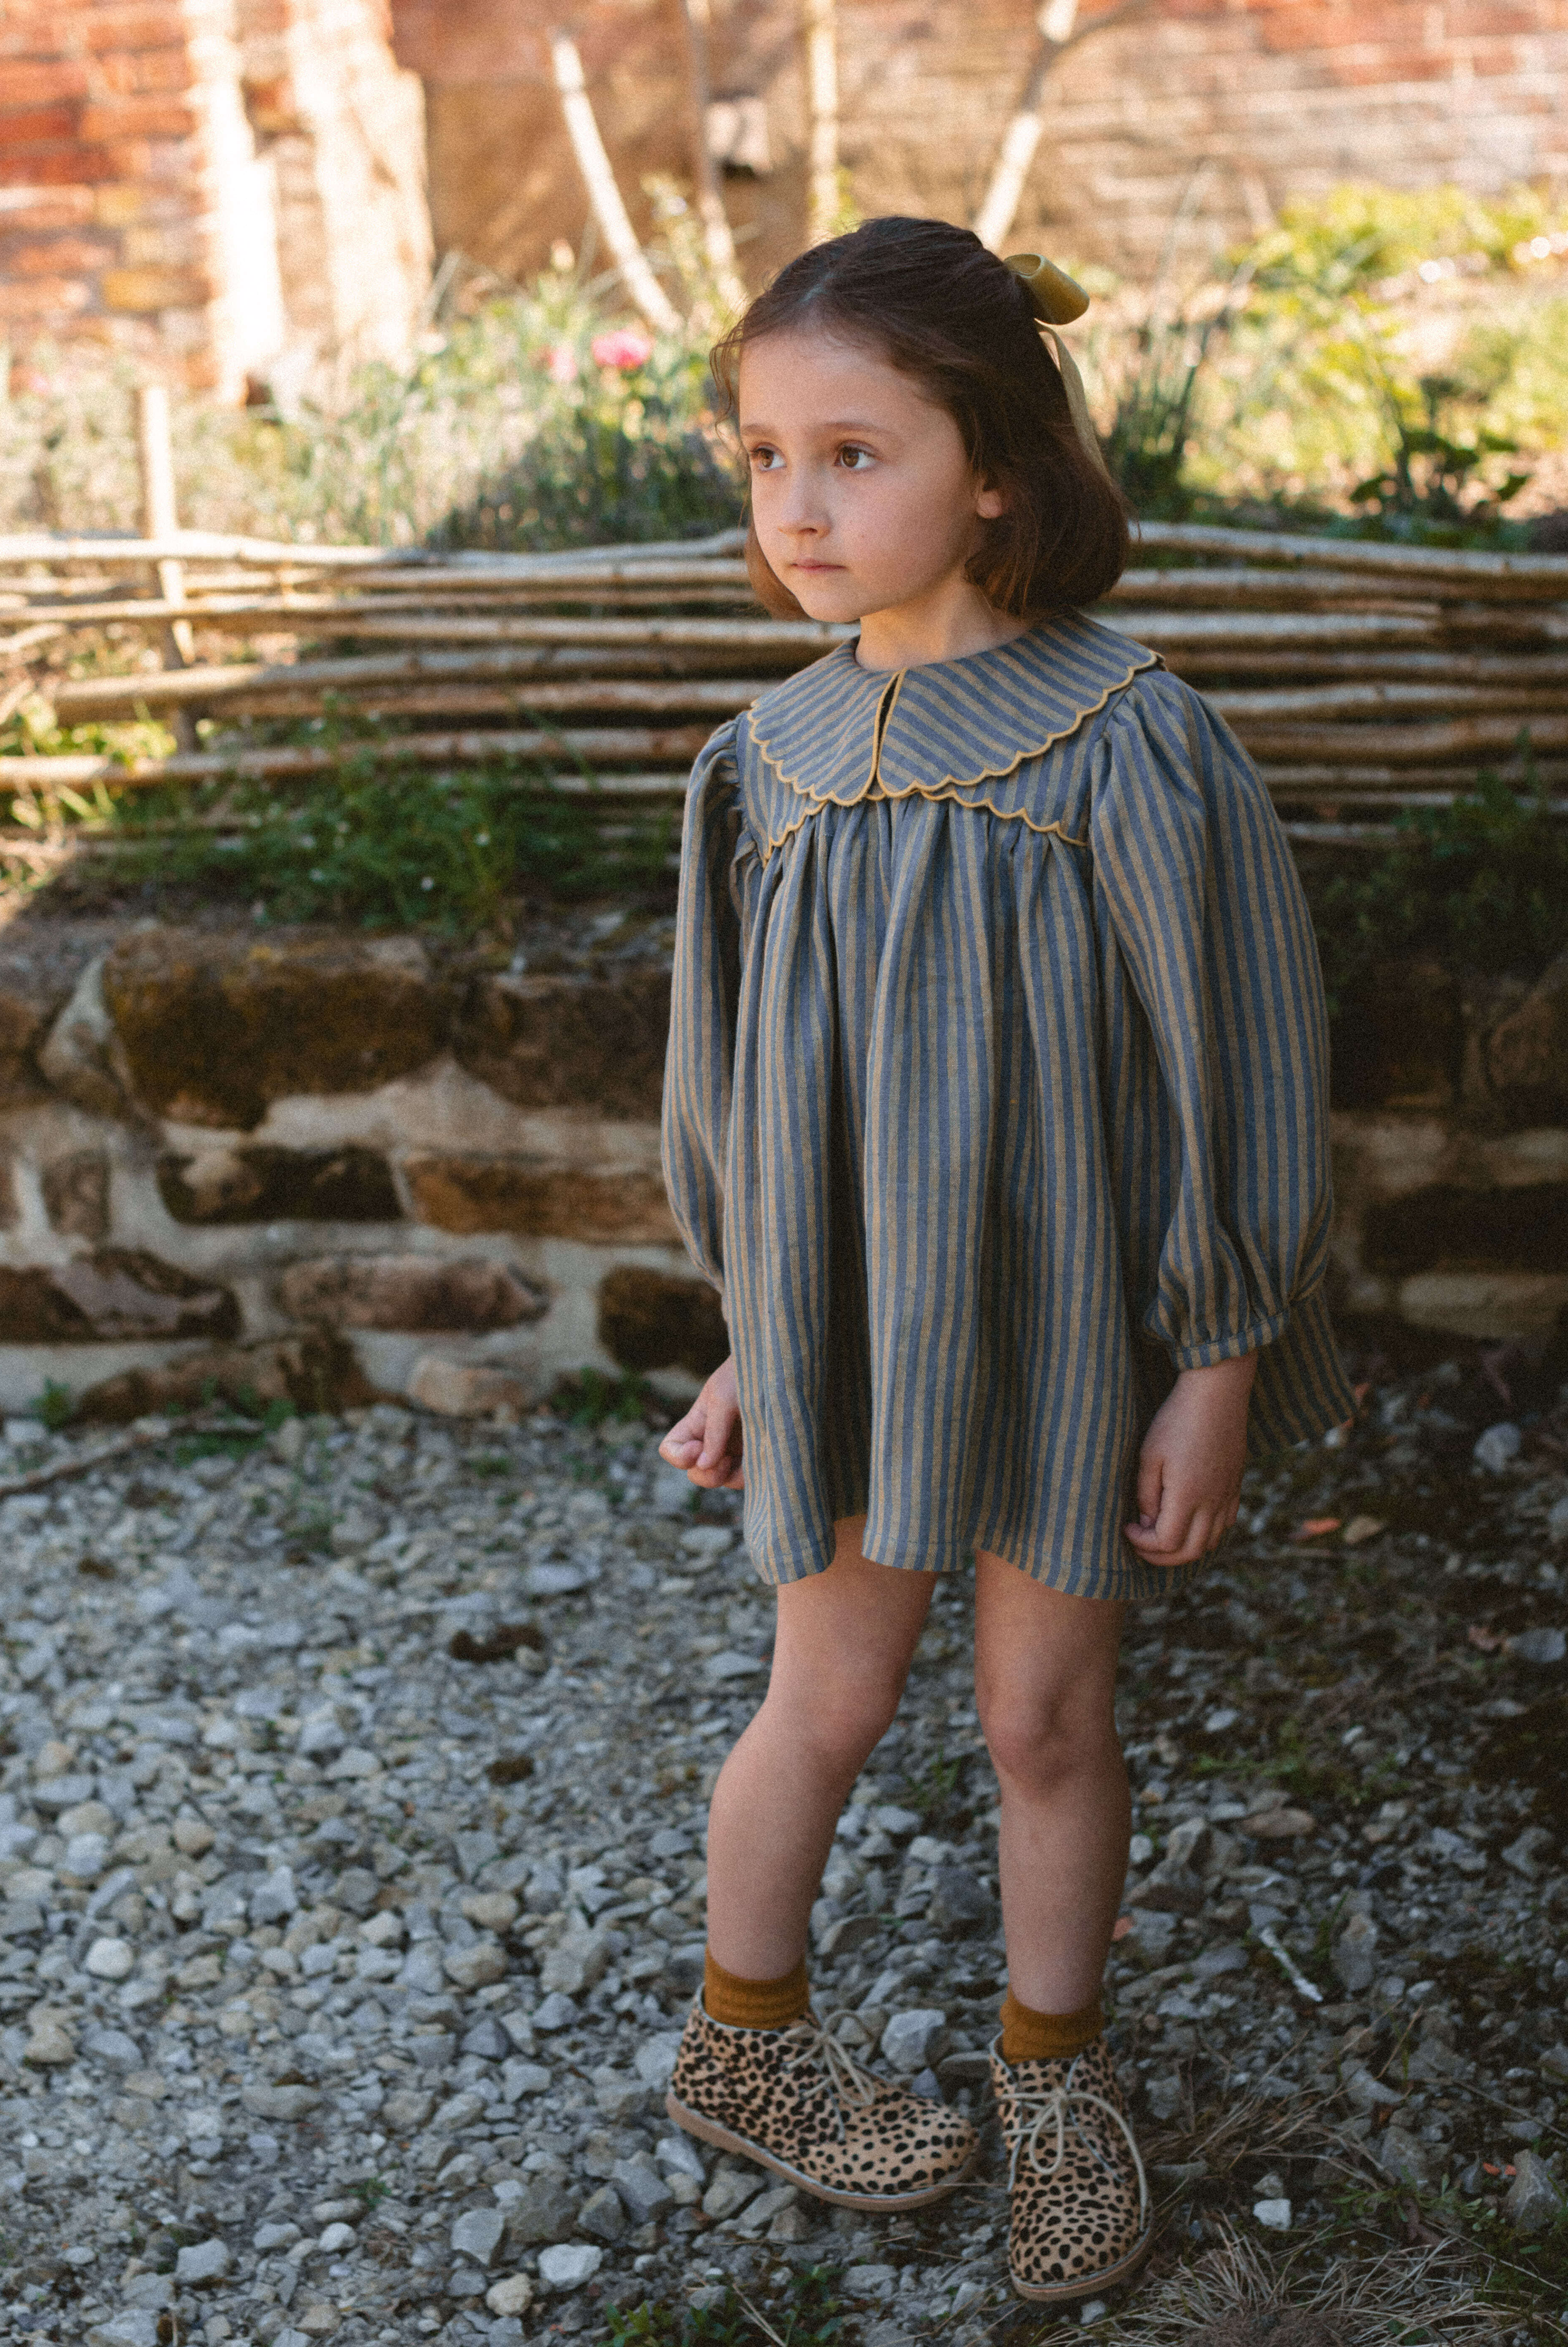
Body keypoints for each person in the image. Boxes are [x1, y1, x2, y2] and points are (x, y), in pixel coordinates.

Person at [654, 217, 1352, 2306]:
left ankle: (1055, 2076)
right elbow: (728, 1087)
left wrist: (1218, 1349)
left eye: (853, 453)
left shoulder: (1127, 737)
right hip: (849, 1333)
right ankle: (743, 2040)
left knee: (1045, 1717)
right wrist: (752, 1337)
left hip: (1062, 1332)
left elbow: (1238, 1053)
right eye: (764, 456)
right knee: (825, 1695)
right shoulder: (759, 767)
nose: (796, 506)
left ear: (993, 473)